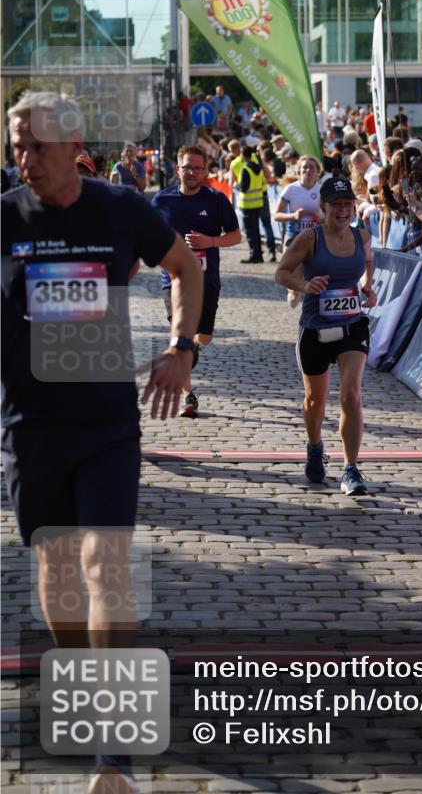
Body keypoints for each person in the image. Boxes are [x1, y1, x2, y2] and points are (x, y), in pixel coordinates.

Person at [2, 91, 203, 794]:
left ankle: (113, 751)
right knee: (57, 572)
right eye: (16, 147)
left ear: (72, 145)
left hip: (107, 424)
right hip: (28, 427)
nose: (24, 160)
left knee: (104, 565)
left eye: (36, 146)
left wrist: (181, 347)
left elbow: (186, 267)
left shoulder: (120, 208)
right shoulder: (4, 218)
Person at [275, 177, 378, 496]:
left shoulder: (362, 236)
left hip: (352, 325)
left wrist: (367, 286)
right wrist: (305, 285)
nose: (343, 210)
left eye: (348, 204)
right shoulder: (310, 238)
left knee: (351, 394)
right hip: (315, 328)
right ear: (324, 208)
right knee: (315, 400)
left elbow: (368, 260)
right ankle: (315, 445)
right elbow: (282, 272)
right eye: (336, 205)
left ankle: (350, 468)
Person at [152, 145, 241, 418]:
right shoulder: (162, 200)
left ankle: (195, 346)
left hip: (207, 281)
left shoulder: (216, 199)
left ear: (205, 171)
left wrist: (210, 241)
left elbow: (236, 236)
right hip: (174, 280)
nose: (192, 172)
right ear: (178, 169)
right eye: (187, 167)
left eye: (197, 168)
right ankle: (188, 396)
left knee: (203, 336)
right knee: (181, 337)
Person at [237, 145, 267, 263]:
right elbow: (263, 186)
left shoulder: (245, 169)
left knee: (250, 232)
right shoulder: (258, 168)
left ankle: (254, 255)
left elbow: (243, 188)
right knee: (256, 231)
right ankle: (258, 254)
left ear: (243, 155)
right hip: (258, 203)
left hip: (247, 205)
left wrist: (237, 185)